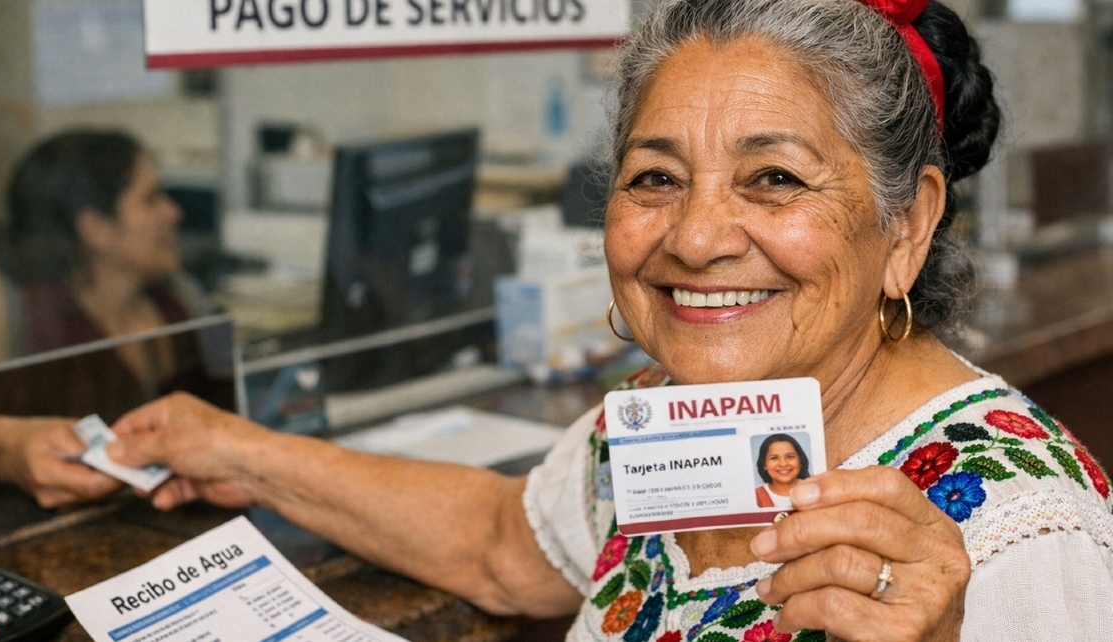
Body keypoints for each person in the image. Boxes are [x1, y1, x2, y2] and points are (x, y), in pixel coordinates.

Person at [106, 0, 1113, 639]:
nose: (697, 236)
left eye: (772, 178)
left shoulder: (1022, 531)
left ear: (908, 225)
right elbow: (505, 542)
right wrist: (239, 450)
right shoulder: (675, 423)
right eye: (655, 178)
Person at [0, 130, 223, 509]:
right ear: (95, 228)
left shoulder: (181, 302)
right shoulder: (31, 325)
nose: (173, 213)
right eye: (150, 199)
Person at [755, 435, 811, 509]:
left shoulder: (813, 490)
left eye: (790, 456)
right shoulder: (755, 496)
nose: (783, 464)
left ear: (800, 461)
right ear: (764, 464)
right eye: (774, 458)